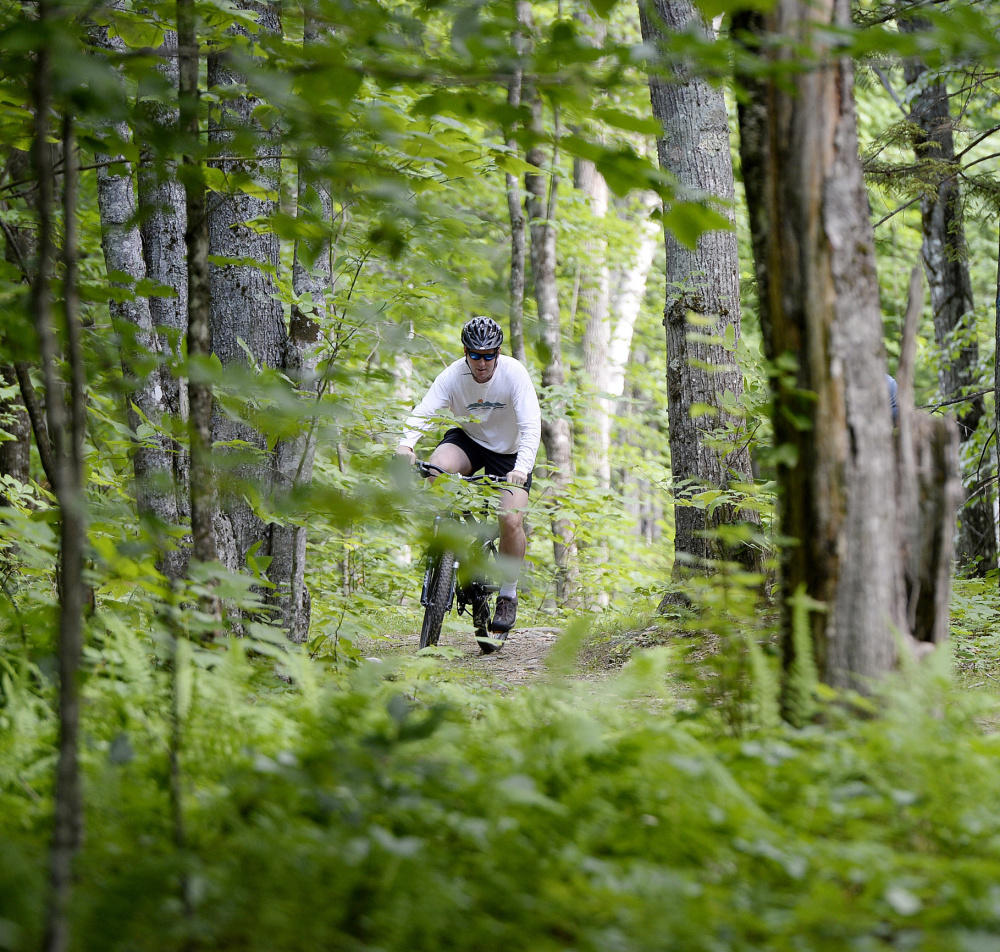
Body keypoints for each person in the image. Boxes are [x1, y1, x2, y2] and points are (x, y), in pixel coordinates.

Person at [396, 317, 541, 634]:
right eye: (475, 354)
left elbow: (531, 427)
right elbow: (425, 409)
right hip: (471, 440)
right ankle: (452, 548)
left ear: (498, 353)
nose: (482, 362)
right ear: (465, 352)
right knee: (436, 470)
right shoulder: (452, 376)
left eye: (489, 355)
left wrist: (521, 468)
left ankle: (507, 594)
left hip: (511, 452)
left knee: (510, 519)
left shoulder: (514, 374)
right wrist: (406, 445)